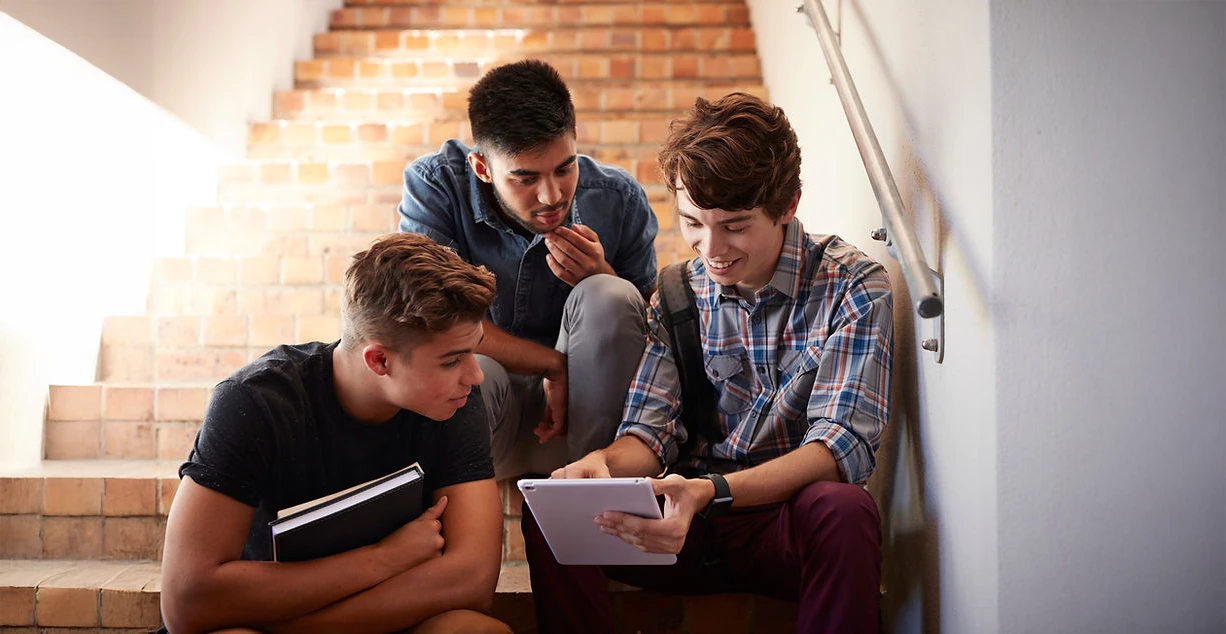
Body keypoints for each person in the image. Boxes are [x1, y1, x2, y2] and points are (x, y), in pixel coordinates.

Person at [523, 93, 895, 634]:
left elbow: (838, 450)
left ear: (788, 204)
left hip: (777, 522)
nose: (711, 248)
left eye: (736, 226)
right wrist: (601, 464)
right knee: (551, 504)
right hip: (681, 524)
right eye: (693, 223)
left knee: (846, 510)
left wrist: (712, 493)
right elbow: (649, 435)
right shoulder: (675, 294)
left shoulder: (854, 288)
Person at [160, 233, 511, 634]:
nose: (475, 374)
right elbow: (186, 600)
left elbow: (471, 580)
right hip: (266, 618)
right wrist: (382, 558)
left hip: (310, 621)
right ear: (379, 360)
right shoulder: (255, 402)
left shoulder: (456, 400)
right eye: (451, 361)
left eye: (473, 351)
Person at [397, 59, 659, 479]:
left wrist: (602, 274)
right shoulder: (435, 186)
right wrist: (552, 365)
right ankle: (465, 523)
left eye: (565, 167)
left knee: (609, 296)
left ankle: (595, 495)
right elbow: (434, 323)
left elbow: (655, 337)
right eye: (525, 178)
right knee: (459, 359)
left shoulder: (618, 196)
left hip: (591, 420)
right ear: (482, 167)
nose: (552, 195)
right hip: (483, 405)